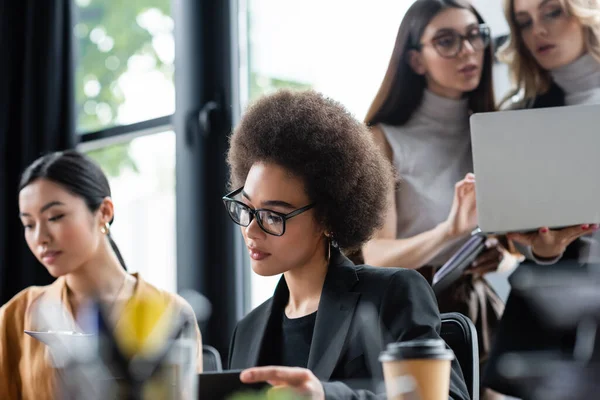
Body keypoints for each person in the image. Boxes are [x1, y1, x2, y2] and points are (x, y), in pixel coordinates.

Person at [225, 89, 470, 400]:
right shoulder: (247, 331)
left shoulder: (392, 294)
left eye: (274, 216)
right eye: (246, 209)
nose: (251, 229)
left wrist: (327, 396)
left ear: (327, 219)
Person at [361, 1, 511, 395]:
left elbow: (515, 242)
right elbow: (375, 255)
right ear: (415, 60)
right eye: (447, 40)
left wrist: (501, 253)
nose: (467, 50)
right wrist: (449, 232)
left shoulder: (495, 131)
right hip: (414, 318)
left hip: (479, 310)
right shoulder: (384, 139)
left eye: (474, 35)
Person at [0, 151, 203, 400]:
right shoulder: (18, 314)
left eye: (55, 217)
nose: (40, 237)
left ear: (104, 212)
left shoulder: (170, 312)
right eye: (29, 224)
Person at [483, 0, 600, 397]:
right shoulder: (521, 116)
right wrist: (545, 251)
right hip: (550, 318)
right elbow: (518, 236)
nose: (538, 31)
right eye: (524, 22)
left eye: (552, 12)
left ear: (584, 11)